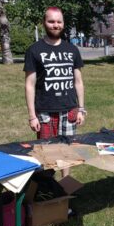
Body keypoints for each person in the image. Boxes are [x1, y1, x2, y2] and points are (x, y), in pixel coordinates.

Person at [24, 7, 86, 139]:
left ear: (63, 24)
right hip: (45, 112)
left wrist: (81, 109)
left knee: (69, 154)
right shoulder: (33, 50)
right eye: (51, 21)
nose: (56, 25)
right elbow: (29, 85)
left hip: (70, 110)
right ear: (44, 23)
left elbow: (78, 82)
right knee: (46, 154)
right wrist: (32, 116)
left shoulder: (72, 50)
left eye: (59, 22)